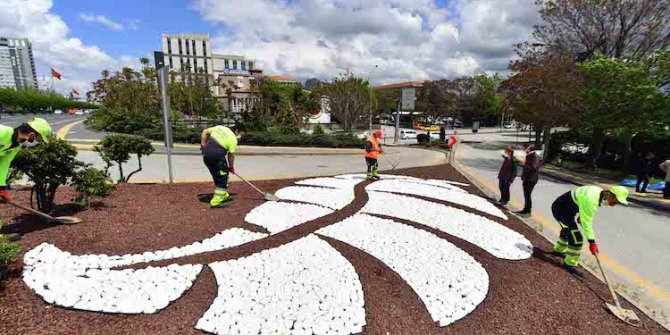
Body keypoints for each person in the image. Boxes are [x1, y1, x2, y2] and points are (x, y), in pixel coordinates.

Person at [551, 185, 629, 276]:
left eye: (618, 202)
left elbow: (581, 201)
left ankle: (558, 250)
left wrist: (582, 214)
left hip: (565, 209)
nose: (615, 203)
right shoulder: (592, 200)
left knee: (567, 231)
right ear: (608, 194)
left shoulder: (597, 192)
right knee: (577, 238)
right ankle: (570, 264)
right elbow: (587, 223)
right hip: (561, 211)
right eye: (616, 200)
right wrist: (592, 242)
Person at [0, 118, 52, 241]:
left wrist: (1, 188)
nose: (37, 143)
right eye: (39, 139)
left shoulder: (15, 146)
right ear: (32, 135)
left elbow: (3, 165)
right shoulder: (2, 132)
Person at [200, 125, 242, 208]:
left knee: (217, 175)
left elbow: (205, 132)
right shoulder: (233, 139)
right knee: (223, 178)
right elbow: (231, 155)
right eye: (240, 134)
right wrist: (231, 167)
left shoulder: (221, 128)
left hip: (206, 156)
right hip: (217, 157)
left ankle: (224, 195)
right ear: (236, 131)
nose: (240, 136)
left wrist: (203, 145)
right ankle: (216, 202)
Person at [516, 144, 541, 217]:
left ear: (529, 149)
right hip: (527, 178)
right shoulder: (529, 156)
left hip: (531, 179)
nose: (524, 150)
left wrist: (522, 164)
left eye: (525, 149)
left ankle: (528, 212)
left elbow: (533, 167)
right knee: (526, 195)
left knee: (528, 195)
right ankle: (525, 209)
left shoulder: (535, 156)